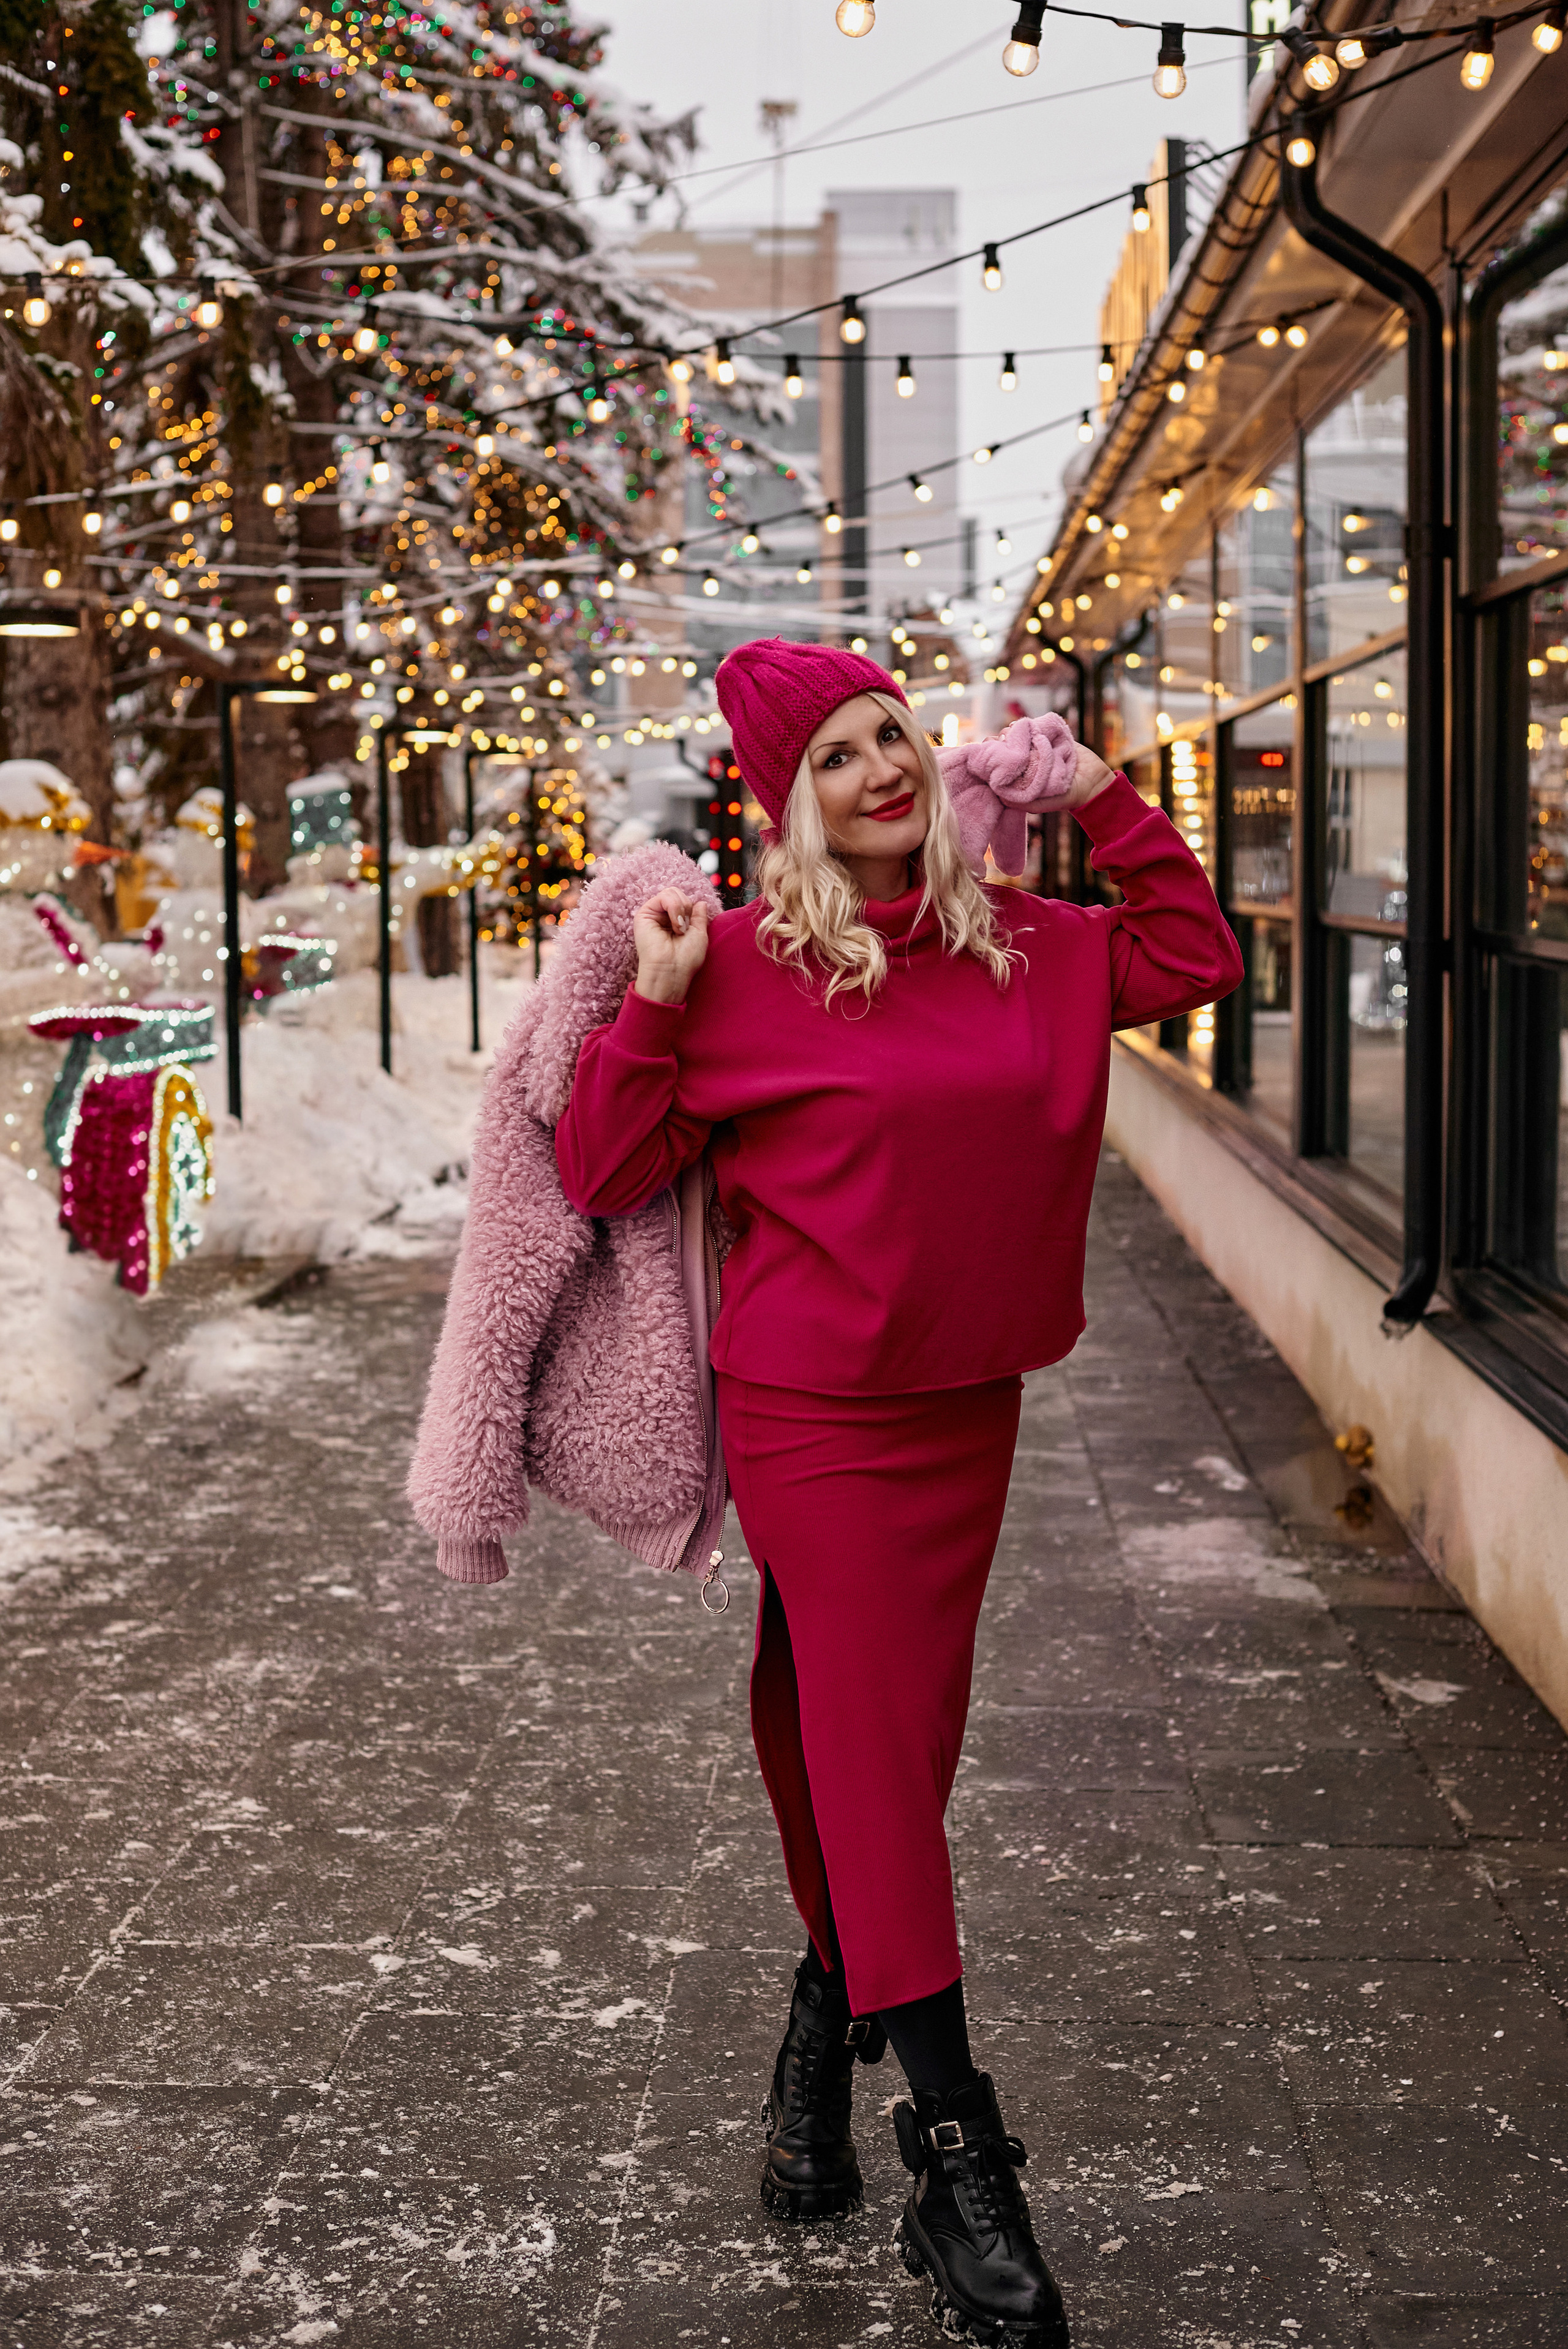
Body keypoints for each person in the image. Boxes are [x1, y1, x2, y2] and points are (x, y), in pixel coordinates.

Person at [555, 638, 1243, 2348]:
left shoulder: (1022, 940)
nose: (883, 766)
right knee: (875, 1746)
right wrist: (648, 1002)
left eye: (896, 734)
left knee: (879, 1741)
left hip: (966, 1408)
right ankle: (953, 2147)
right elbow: (603, 1165)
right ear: (791, 797)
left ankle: (817, 2027)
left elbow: (1199, 952)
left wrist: (1104, 801)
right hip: (811, 1410)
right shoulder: (738, 971)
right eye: (842, 752)